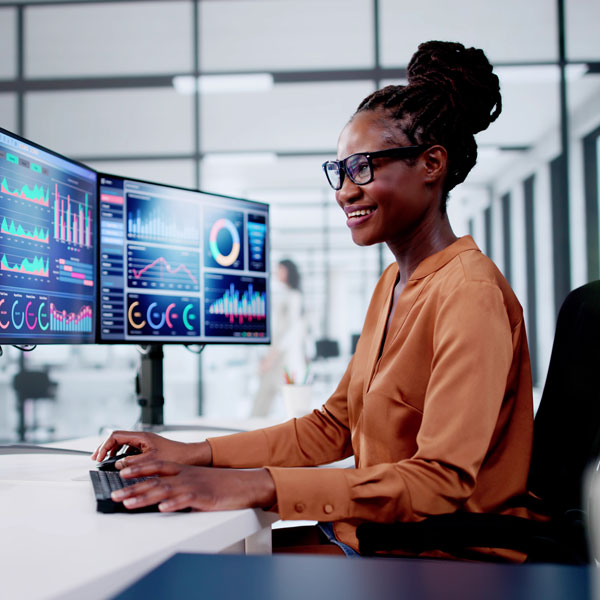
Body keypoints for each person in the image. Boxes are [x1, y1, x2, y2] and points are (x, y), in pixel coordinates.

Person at [92, 41, 534, 561]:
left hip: (443, 560)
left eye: (364, 167)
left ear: (432, 164)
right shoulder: (394, 281)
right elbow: (332, 427)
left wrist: (261, 486)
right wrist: (197, 454)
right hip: (375, 539)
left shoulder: (470, 294)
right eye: (340, 171)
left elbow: (440, 482)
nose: (345, 190)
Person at [251, 259, 307, 417]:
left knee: (289, 403)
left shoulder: (294, 296)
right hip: (276, 354)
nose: (277, 273)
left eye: (280, 269)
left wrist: (272, 356)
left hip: (284, 358)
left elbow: (290, 331)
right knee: (263, 399)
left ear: (289, 272)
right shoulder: (283, 294)